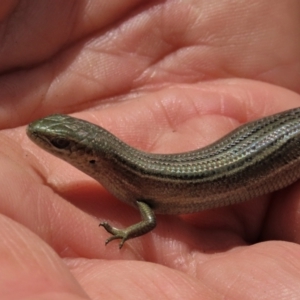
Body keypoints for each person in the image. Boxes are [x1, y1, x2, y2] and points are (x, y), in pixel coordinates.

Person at [1, 1, 300, 298]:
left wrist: (124, 233)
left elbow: (150, 221)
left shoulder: (136, 187)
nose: (42, 138)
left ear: (92, 157)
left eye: (61, 144)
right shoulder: (131, 179)